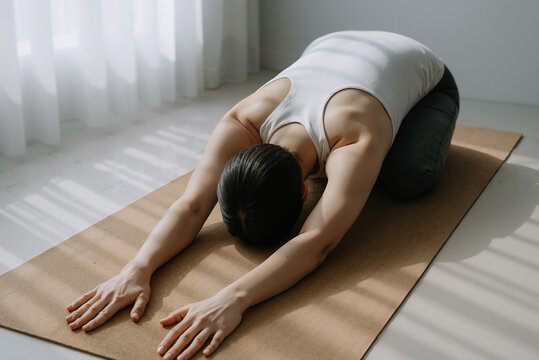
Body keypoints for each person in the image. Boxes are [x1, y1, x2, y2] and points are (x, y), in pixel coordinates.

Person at [65, 31, 459, 360]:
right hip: (328, 46)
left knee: (408, 178)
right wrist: (137, 268)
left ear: (307, 191)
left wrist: (235, 296)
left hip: (424, 71)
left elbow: (317, 241)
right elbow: (193, 205)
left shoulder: (354, 135)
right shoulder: (242, 120)